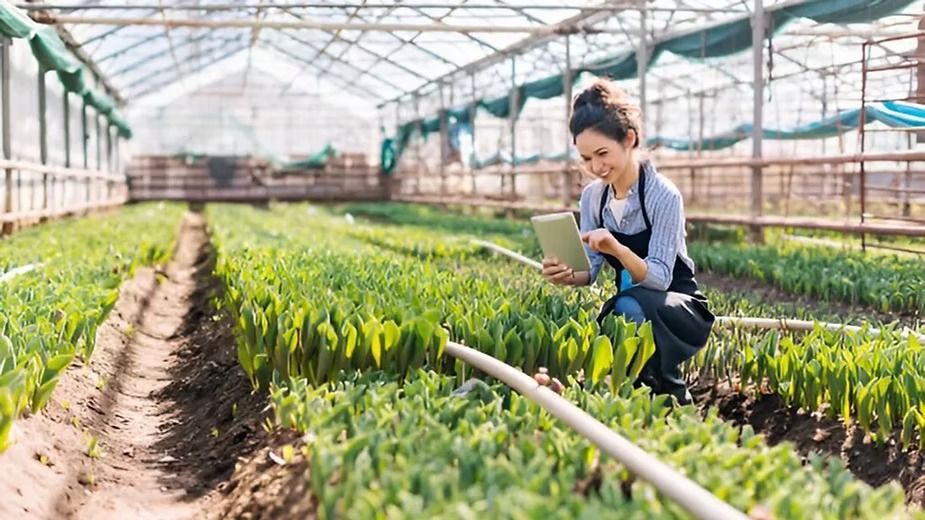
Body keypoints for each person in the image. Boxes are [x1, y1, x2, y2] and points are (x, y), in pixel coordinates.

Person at [541, 79, 714, 405]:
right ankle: (640, 401)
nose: (596, 167)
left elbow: (661, 279)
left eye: (602, 153)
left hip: (677, 306)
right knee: (624, 309)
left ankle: (674, 396)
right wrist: (565, 273)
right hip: (632, 304)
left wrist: (617, 249)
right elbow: (590, 271)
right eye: (586, 158)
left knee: (628, 306)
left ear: (629, 139)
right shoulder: (594, 197)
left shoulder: (663, 195)